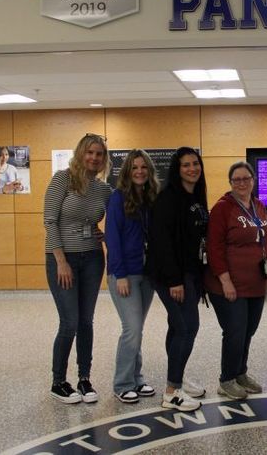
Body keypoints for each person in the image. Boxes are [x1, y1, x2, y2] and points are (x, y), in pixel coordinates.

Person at [43, 133, 112, 404]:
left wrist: (103, 235)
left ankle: (84, 378)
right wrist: (61, 261)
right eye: (90, 152)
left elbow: (105, 220)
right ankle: (58, 381)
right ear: (81, 153)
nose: (94, 158)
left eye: (99, 154)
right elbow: (50, 221)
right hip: (63, 259)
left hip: (93, 259)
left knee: (86, 322)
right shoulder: (63, 179)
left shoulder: (104, 190)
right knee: (69, 322)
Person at [204, 161, 267, 400]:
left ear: (253, 180)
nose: (242, 183)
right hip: (229, 284)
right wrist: (225, 281)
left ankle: (240, 373)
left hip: (256, 283)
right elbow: (214, 248)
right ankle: (226, 380)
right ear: (230, 183)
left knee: (248, 331)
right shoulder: (223, 208)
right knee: (234, 331)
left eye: (246, 179)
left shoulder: (259, 205)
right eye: (237, 180)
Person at [147, 147, 210, 412]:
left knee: (178, 327)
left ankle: (178, 380)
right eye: (186, 165)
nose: (192, 168)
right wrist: (175, 280)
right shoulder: (168, 198)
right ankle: (172, 391)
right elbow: (161, 242)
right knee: (187, 328)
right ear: (177, 168)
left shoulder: (195, 195)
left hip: (191, 273)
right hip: (171, 275)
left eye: (195, 163)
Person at [105, 149, 159, 404]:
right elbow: (112, 238)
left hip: (146, 274)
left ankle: (137, 378)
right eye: (135, 167)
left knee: (138, 330)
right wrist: (120, 274)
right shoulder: (118, 198)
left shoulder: (150, 198)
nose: (139, 171)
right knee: (132, 329)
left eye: (144, 168)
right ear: (127, 171)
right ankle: (122, 383)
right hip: (124, 274)